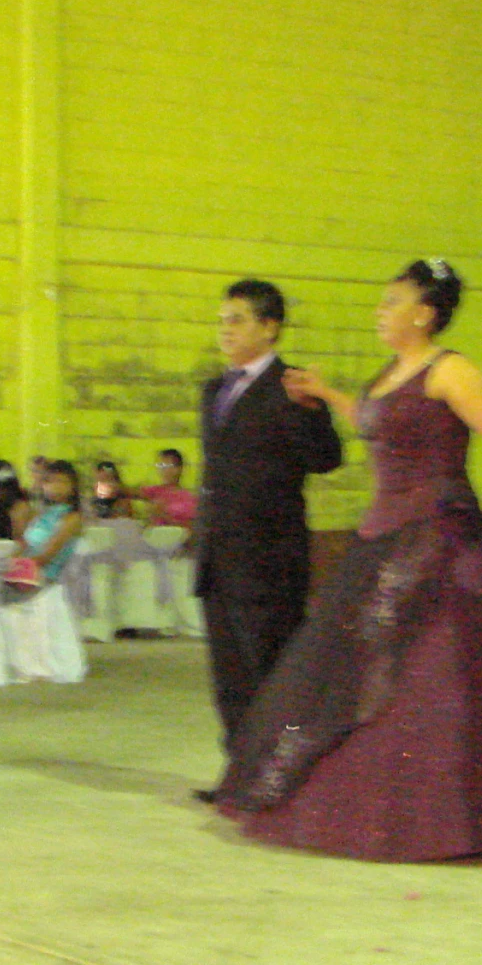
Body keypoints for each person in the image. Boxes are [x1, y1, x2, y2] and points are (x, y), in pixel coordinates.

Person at [210, 262, 482, 862]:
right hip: (382, 533)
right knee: (356, 666)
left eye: (392, 302)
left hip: (437, 537)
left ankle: (446, 815)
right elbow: (374, 423)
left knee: (431, 669)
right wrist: (328, 395)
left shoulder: (448, 367)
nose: (380, 311)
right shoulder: (390, 372)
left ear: (424, 314)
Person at [193, 278, 344, 768]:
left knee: (271, 667)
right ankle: (239, 771)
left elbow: (327, 458)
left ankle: (281, 773)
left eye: (237, 319)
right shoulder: (214, 389)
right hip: (218, 554)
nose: (225, 330)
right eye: (221, 321)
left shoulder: (292, 385)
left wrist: (306, 410)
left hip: (268, 556)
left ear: (270, 327)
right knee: (229, 672)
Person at [12, 459, 84, 586]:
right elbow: (23, 543)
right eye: (49, 481)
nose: (54, 486)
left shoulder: (72, 518)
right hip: (26, 569)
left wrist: (18, 567)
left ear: (73, 487)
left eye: (61, 481)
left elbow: (48, 555)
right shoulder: (40, 513)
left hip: (46, 576)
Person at [136, 448, 198, 530]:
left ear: (179, 468)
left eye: (169, 466)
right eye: (160, 465)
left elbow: (193, 528)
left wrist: (163, 515)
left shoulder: (190, 499)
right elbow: (130, 493)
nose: (164, 470)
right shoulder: (153, 491)